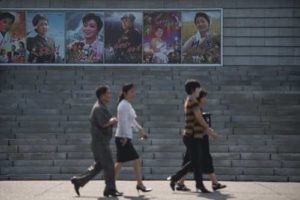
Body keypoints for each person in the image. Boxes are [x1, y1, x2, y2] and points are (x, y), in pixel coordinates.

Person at [70, 86, 123, 197]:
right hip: (100, 143)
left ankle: (79, 181)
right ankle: (110, 189)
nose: (110, 95)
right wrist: (112, 121)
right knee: (109, 166)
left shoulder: (101, 106)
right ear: (102, 95)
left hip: (100, 142)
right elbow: (103, 123)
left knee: (99, 166)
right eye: (108, 93)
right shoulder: (98, 108)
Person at [168, 79, 219, 193]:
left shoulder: (190, 99)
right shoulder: (193, 101)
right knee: (197, 161)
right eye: (198, 87)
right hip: (191, 136)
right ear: (193, 89)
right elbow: (199, 118)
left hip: (192, 135)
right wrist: (210, 131)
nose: (200, 89)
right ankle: (180, 179)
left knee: (196, 161)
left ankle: (179, 180)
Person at [114, 83, 152, 193]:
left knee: (120, 163)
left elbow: (132, 121)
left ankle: (110, 186)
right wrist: (125, 137)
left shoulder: (127, 104)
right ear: (125, 93)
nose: (134, 93)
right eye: (131, 92)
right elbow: (123, 122)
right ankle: (139, 184)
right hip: (123, 138)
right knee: (136, 160)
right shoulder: (123, 105)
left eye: (134, 91)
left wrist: (141, 130)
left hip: (123, 137)